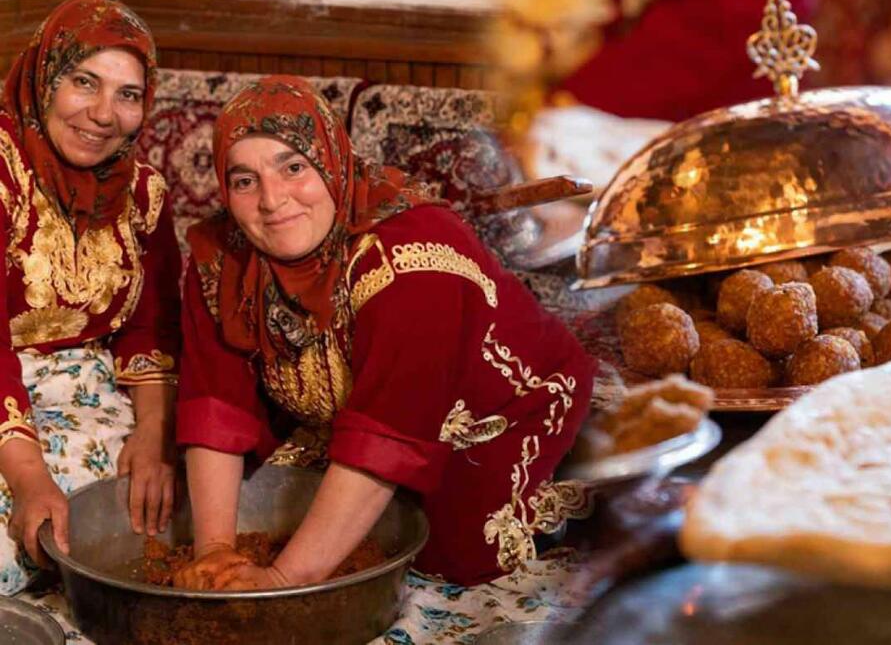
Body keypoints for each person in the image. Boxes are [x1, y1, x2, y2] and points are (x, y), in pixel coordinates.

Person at [173, 75, 595, 589]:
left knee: (444, 558)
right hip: (352, 410)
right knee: (276, 514)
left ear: (332, 162)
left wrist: (284, 580)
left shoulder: (413, 259)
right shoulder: (222, 256)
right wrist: (215, 551)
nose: (272, 200)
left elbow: (387, 429)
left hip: (495, 411)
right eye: (244, 181)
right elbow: (218, 403)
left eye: (294, 168)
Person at [0, 0, 181, 595]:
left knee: (140, 509)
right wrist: (29, 481)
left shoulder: (144, 193)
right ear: (46, 77)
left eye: (128, 94)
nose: (104, 115)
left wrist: (152, 441)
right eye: (85, 82)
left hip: (83, 388)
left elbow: (149, 330)